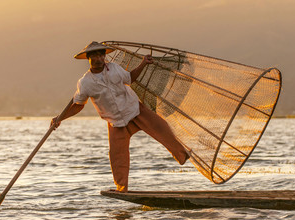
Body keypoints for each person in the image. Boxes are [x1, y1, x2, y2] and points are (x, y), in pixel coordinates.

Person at [51, 41, 190, 192]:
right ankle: (122, 188)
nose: (98, 59)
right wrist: (59, 118)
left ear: (104, 57)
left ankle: (182, 155)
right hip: (115, 121)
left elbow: (130, 79)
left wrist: (143, 63)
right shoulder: (85, 83)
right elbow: (78, 105)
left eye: (100, 55)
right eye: (94, 56)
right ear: (88, 59)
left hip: (135, 110)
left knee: (162, 128)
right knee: (117, 156)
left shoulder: (115, 69)